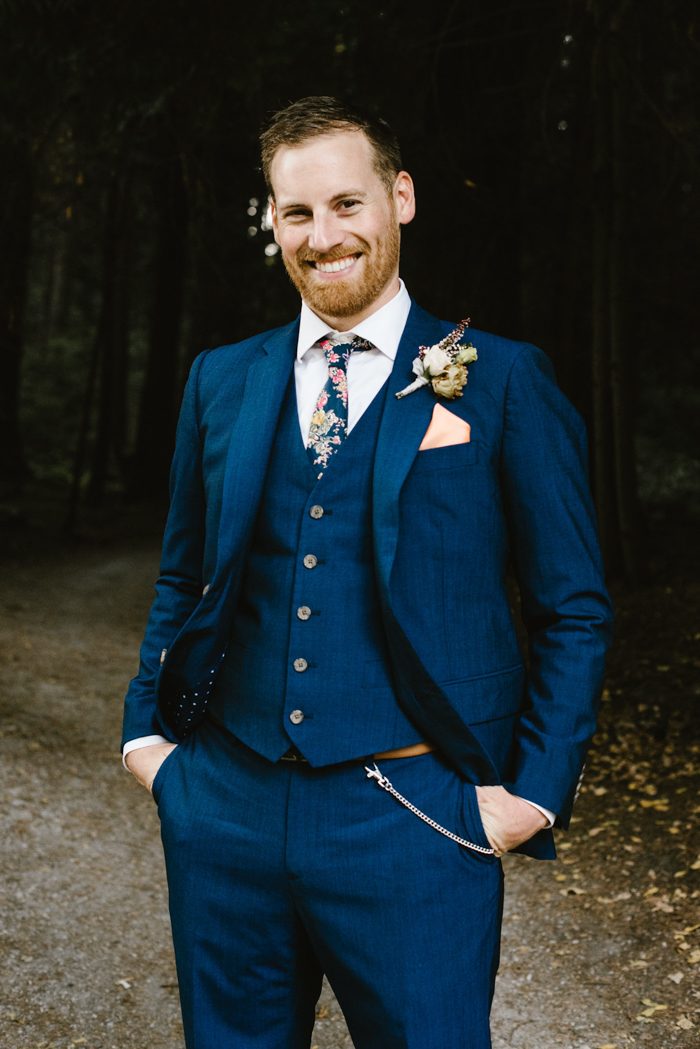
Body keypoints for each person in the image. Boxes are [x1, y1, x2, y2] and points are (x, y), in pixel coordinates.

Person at [122, 96, 613, 1049]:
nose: (324, 235)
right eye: (297, 213)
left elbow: (573, 607)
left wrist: (533, 792)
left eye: (347, 204)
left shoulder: (502, 378)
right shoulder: (221, 378)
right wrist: (150, 741)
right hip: (225, 805)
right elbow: (185, 577)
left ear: (401, 197)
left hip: (415, 815)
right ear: (273, 221)